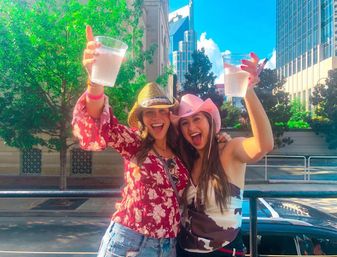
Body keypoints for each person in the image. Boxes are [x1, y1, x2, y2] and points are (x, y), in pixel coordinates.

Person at [72, 25, 190, 257]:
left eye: (162, 111)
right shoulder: (134, 143)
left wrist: (221, 137)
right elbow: (100, 123)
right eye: (149, 112)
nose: (156, 117)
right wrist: (95, 79)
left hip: (169, 245)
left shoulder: (180, 150)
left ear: (169, 115)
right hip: (131, 242)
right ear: (142, 119)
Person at [171, 53, 274, 257]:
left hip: (224, 251)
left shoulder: (230, 150)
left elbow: (264, 144)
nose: (191, 127)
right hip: (183, 250)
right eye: (184, 122)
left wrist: (248, 91)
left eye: (197, 118)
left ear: (210, 121)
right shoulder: (186, 161)